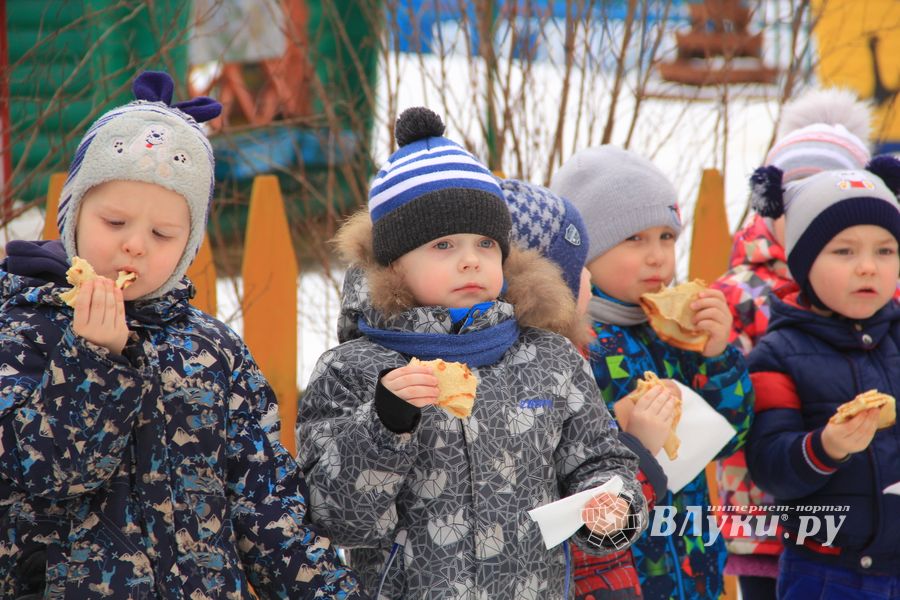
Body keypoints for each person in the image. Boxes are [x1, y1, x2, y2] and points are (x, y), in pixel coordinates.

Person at [0, 71, 366, 599]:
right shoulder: (21, 331)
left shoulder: (212, 350)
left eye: (162, 233)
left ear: (188, 244)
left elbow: (266, 511)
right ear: (74, 215)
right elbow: (48, 474)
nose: (134, 247)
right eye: (115, 222)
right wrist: (93, 359)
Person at [297, 107, 647, 600]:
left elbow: (599, 460)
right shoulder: (352, 370)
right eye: (443, 245)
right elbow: (337, 521)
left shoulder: (550, 360)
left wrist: (613, 506)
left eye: (486, 242)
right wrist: (383, 427)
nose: (470, 259)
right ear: (394, 263)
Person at [551, 145, 754, 600]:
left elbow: (733, 434)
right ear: (585, 252)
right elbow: (557, 461)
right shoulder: (571, 344)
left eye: (666, 237)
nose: (658, 256)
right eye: (634, 239)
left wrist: (718, 354)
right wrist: (621, 427)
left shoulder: (676, 330)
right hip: (623, 571)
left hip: (696, 564)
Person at [711, 87, 874, 598]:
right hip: (761, 515)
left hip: (862, 521)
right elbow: (722, 402)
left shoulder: (879, 291)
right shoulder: (737, 294)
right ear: (770, 204)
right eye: (795, 198)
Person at [502, 177, 669, 599]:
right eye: (578, 269)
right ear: (542, 285)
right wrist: (640, 449)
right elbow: (579, 524)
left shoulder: (565, 357)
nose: (590, 278)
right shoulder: (543, 374)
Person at [745, 157, 900, 598]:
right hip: (826, 573)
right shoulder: (778, 355)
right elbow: (770, 466)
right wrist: (827, 447)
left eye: (885, 250)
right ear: (804, 264)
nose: (868, 266)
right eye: (844, 251)